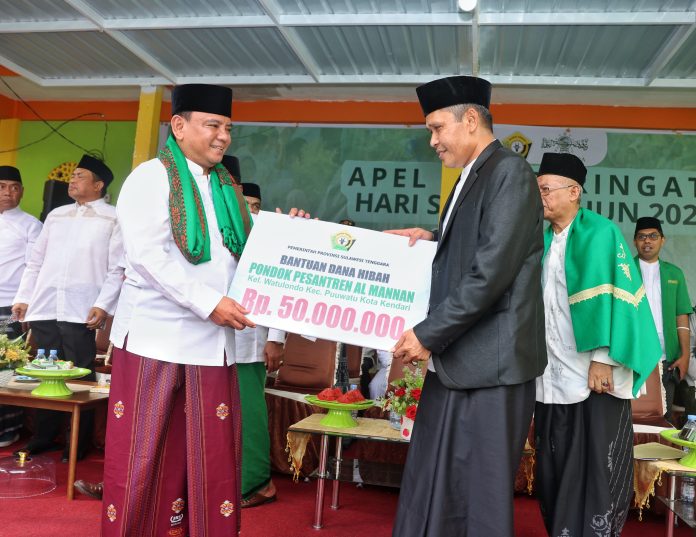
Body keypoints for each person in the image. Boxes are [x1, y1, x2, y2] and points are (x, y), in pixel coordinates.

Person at [102, 84, 308, 537]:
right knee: (144, 456)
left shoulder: (227, 188)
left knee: (211, 459)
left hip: (215, 347)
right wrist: (209, 302)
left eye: (228, 128)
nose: (223, 137)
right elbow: (146, 257)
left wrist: (295, 237)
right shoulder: (150, 178)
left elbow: (251, 254)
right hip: (157, 341)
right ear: (178, 126)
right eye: (213, 125)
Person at [387, 75, 547, 536]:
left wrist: (427, 334)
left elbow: (491, 272)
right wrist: (430, 238)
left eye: (437, 128)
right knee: (434, 481)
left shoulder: (510, 172)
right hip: (458, 360)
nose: (433, 141)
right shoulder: (473, 174)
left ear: (471, 119)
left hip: (492, 367)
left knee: (477, 495)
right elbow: (477, 246)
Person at [534, 152, 662, 536]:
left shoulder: (601, 233)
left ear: (574, 192)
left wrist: (603, 358)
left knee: (597, 466)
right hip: (549, 373)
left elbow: (621, 299)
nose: (539, 197)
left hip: (594, 376)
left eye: (546, 189)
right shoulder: (537, 237)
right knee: (553, 463)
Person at [12, 155, 123, 461]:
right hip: (46, 305)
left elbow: (117, 268)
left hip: (81, 310)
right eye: (72, 176)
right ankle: (43, 437)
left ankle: (78, 442)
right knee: (46, 373)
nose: (72, 180)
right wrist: (24, 297)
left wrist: (102, 304)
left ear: (99, 185)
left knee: (79, 376)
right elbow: (35, 261)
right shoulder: (56, 215)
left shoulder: (113, 218)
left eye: (80, 176)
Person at [225, 159, 284, 508]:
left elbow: (281, 285)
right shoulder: (210, 222)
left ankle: (258, 482)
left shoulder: (264, 229)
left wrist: (276, 338)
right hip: (207, 339)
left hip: (248, 338)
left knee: (249, 413)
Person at [634, 216, 693, 422]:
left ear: (662, 240)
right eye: (642, 236)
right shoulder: (624, 271)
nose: (647, 241)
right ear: (635, 241)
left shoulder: (674, 273)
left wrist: (685, 356)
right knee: (630, 415)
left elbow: (681, 317)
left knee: (663, 417)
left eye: (653, 236)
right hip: (633, 356)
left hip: (667, 359)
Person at [0, 165, 42, 448]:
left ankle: (7, 429)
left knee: (6, 367)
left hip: (10, 306)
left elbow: (34, 267)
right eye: (2, 186)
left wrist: (25, 302)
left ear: (22, 192)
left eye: (14, 187)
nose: (8, 192)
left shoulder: (31, 225)